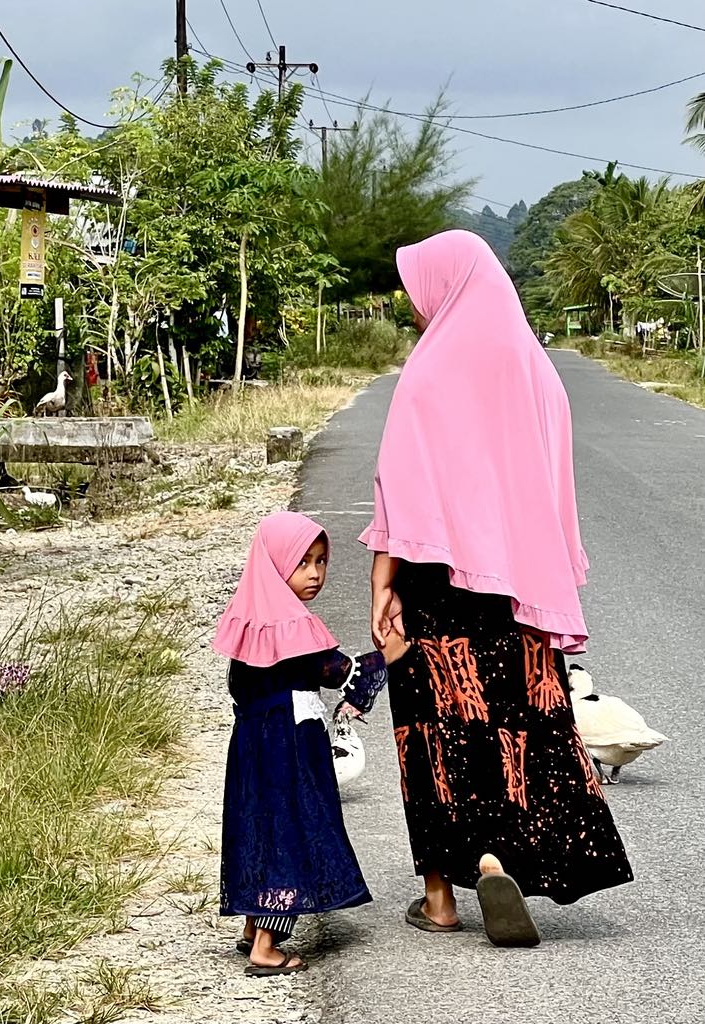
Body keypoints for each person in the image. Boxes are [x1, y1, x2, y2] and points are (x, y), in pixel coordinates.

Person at [360, 229, 633, 946]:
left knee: (434, 725)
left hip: (436, 582)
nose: (419, 310)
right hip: (516, 588)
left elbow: (401, 490)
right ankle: (498, 855)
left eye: (422, 293)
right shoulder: (536, 371)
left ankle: (442, 896)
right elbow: (548, 489)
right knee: (513, 728)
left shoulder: (427, 372)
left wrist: (381, 582)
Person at [214, 511, 408, 976]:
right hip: (291, 748)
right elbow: (344, 674)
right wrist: (387, 655)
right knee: (293, 829)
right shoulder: (295, 627)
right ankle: (266, 945)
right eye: (303, 563)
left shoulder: (249, 621)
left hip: (251, 747)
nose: (316, 574)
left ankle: (251, 925)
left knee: (259, 826)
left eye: (321, 562)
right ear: (276, 564)